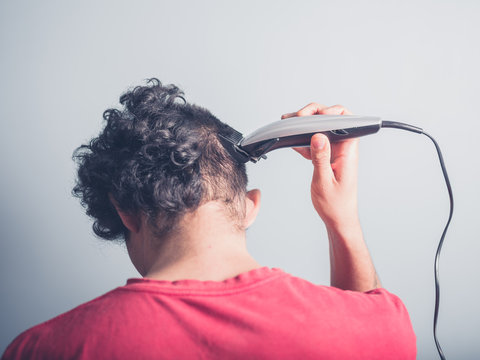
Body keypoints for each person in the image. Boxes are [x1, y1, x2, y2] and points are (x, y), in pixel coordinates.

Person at [2, 79, 416, 359]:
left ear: (125, 212)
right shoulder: (378, 329)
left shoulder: (44, 348)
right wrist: (342, 220)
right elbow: (366, 325)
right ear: (251, 205)